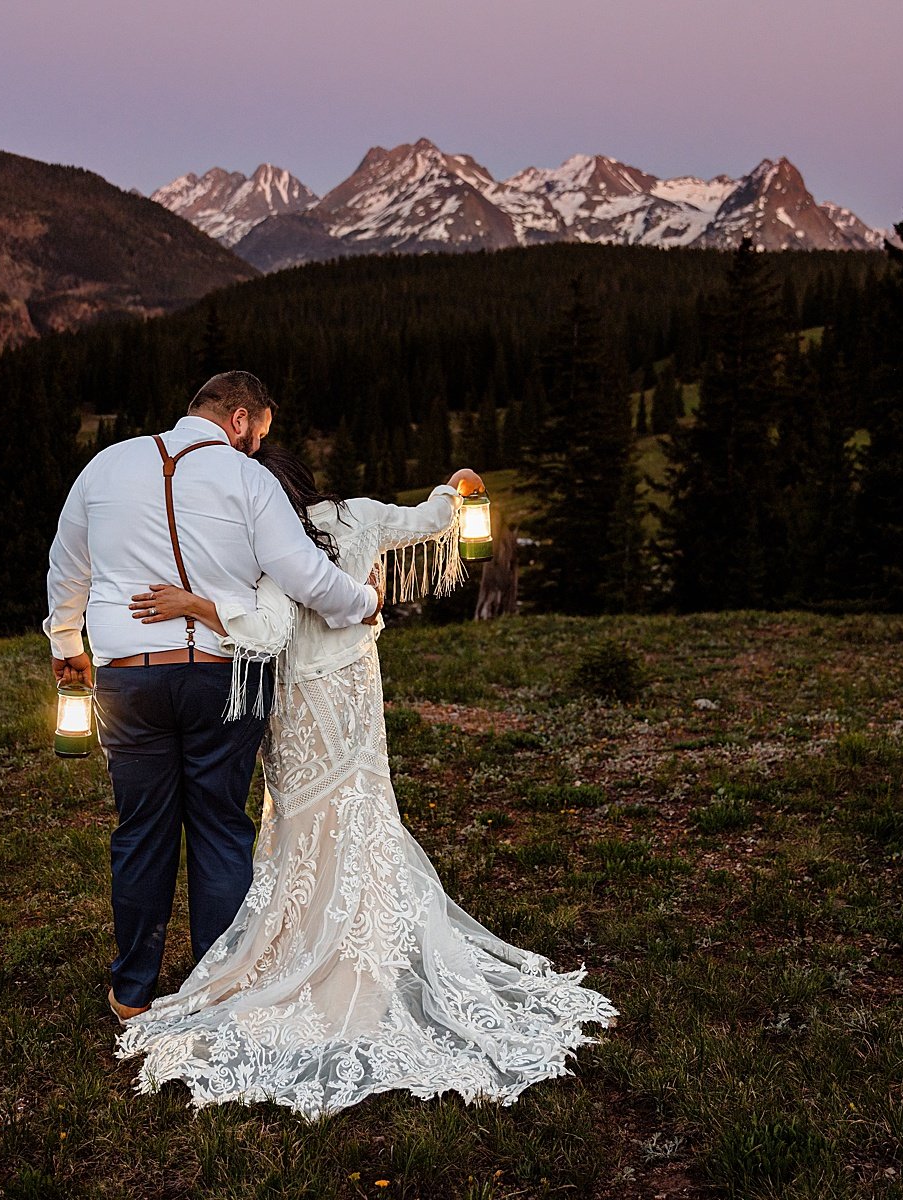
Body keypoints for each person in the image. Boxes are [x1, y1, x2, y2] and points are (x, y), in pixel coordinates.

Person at [112, 443, 618, 1120]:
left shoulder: (271, 544)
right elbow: (430, 520)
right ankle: (366, 953)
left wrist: (194, 606)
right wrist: (459, 484)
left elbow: (263, 632)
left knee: (304, 824)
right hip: (355, 697)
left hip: (302, 707)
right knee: (361, 811)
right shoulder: (362, 518)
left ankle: (320, 954)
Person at [42, 372, 384, 1024]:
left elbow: (67, 568)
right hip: (227, 678)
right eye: (261, 431)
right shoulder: (248, 480)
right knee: (221, 830)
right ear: (239, 417)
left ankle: (133, 995)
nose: (258, 446)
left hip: (131, 679)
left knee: (140, 831)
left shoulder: (106, 466)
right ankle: (219, 994)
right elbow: (306, 577)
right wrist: (364, 602)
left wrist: (66, 643)